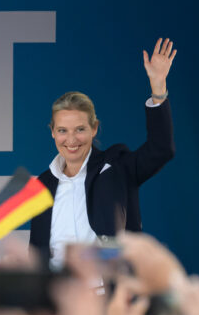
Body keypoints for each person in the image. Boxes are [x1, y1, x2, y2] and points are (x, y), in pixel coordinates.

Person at [29, 38, 177, 269]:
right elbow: (36, 254)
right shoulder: (42, 184)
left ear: (94, 128)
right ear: (52, 132)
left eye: (80, 129)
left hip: (110, 295)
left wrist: (158, 87)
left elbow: (161, 149)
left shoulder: (117, 166)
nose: (71, 140)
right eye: (62, 131)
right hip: (60, 301)